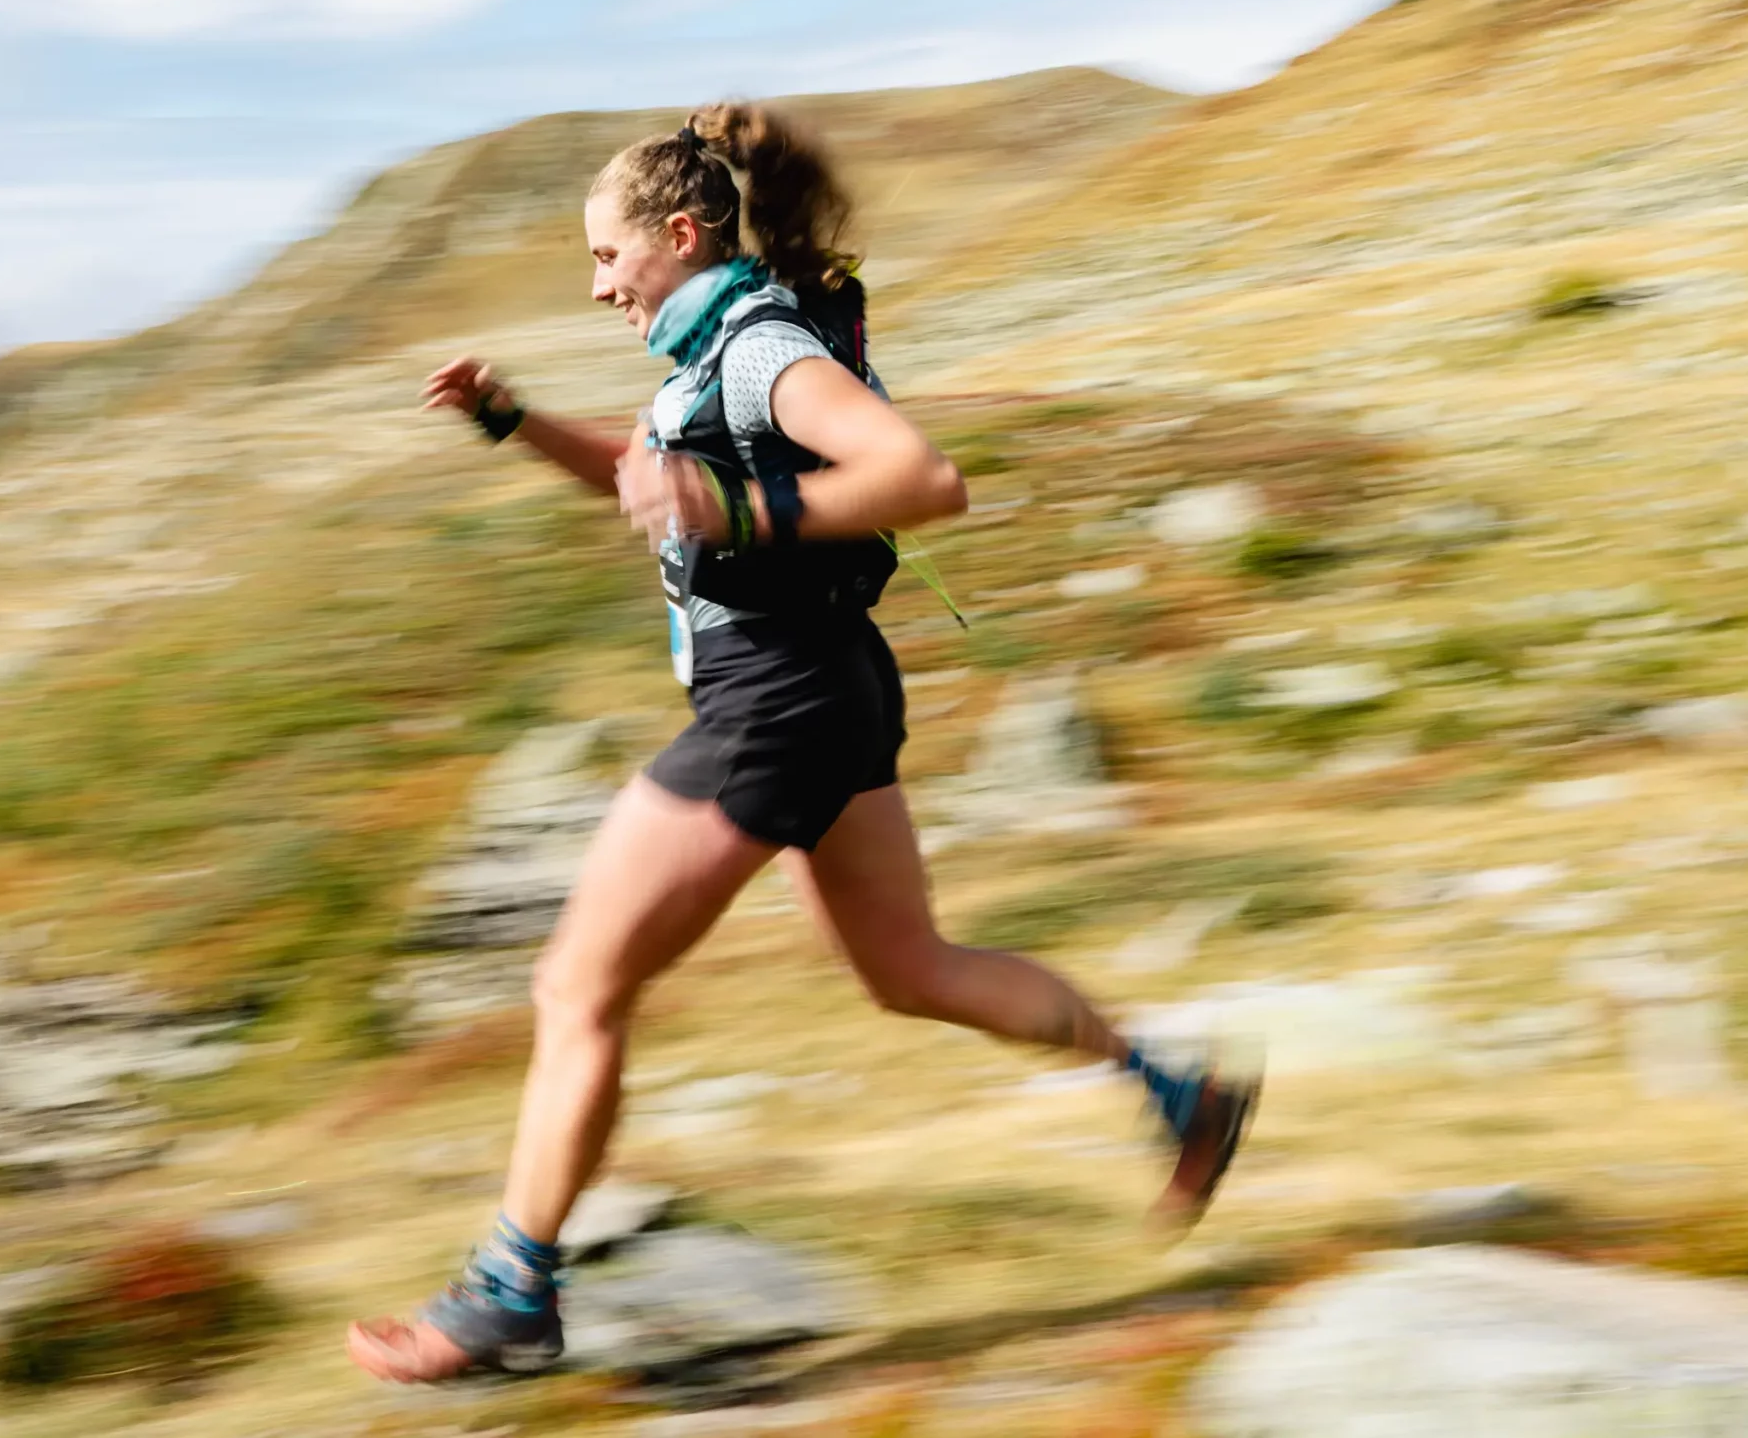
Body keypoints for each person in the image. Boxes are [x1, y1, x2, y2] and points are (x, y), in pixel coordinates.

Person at [345, 102, 1259, 1383]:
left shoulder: (761, 347)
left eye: (607, 255)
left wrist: (740, 510)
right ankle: (1176, 1094)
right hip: (828, 690)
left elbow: (920, 478)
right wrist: (516, 422)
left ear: (679, 234)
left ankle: (510, 1295)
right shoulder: (707, 356)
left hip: (772, 703)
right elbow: (649, 476)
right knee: (909, 969)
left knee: (575, 989)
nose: (596, 284)